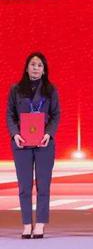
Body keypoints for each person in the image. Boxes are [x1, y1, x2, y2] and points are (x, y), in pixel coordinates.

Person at [6, 52, 60, 239]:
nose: (36, 68)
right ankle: (27, 224)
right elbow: (9, 114)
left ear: (44, 70)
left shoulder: (50, 90)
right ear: (27, 67)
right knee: (24, 185)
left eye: (39, 65)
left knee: (43, 185)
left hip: (44, 143)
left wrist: (48, 133)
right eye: (32, 64)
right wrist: (15, 134)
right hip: (21, 143)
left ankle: (40, 224)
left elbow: (56, 115)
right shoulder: (16, 89)